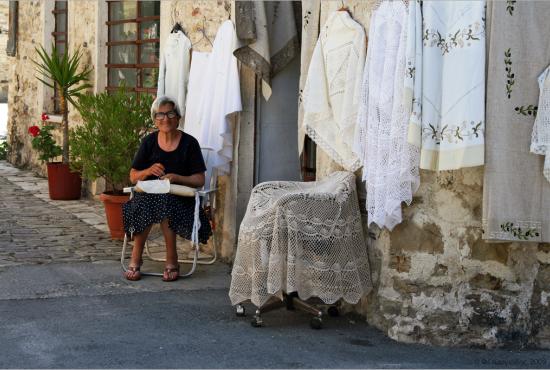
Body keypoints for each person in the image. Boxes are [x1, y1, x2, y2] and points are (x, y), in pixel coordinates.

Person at [122, 95, 212, 282]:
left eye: (170, 113)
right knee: (148, 202)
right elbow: (133, 175)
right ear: (155, 120)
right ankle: (137, 256)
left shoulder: (189, 143)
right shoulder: (148, 142)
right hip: (150, 196)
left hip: (181, 200)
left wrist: (176, 177)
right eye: (160, 115)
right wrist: (147, 170)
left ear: (178, 117)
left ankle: (170, 259)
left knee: (165, 201)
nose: (166, 118)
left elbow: (199, 179)